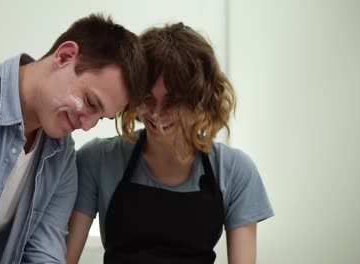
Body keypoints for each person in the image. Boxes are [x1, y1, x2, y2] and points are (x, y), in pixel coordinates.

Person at [0, 14, 146, 264]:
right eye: (90, 102)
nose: (87, 125)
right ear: (64, 56)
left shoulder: (61, 159)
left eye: (100, 117)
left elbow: (44, 256)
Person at [66, 22, 274, 264]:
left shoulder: (236, 171)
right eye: (147, 98)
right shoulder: (97, 159)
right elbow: (62, 259)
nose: (156, 113)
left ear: (200, 99)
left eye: (173, 101)